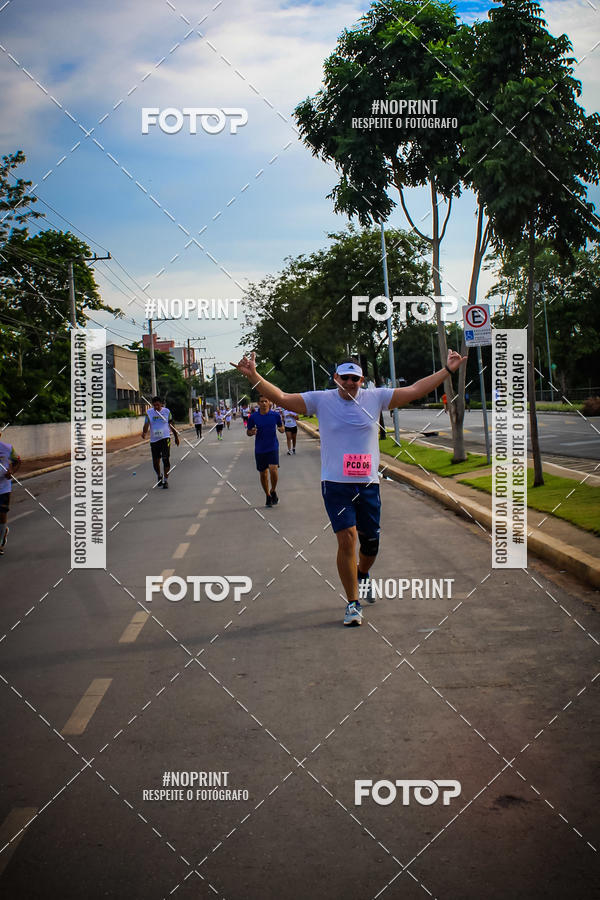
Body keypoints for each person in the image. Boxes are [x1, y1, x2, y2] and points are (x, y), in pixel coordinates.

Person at [232, 350, 467, 626]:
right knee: (347, 539)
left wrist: (448, 370)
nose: (350, 383)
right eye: (345, 378)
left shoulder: (376, 397)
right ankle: (352, 603)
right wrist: (254, 376)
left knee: (370, 544)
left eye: (354, 378)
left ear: (362, 379)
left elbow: (415, 390)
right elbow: (282, 398)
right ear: (336, 378)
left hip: (367, 484)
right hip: (335, 484)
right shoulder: (321, 400)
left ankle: (363, 573)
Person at [246, 395, 284, 507]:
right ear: (258, 403)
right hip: (260, 448)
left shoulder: (275, 415)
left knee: (273, 469)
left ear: (269, 403)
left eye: (265, 401)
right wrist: (252, 432)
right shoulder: (253, 417)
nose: (263, 403)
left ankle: (273, 490)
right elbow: (248, 432)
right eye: (261, 401)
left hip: (272, 447)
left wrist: (281, 429)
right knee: (263, 474)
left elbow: (282, 428)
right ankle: (267, 495)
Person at [142, 397, 180, 489]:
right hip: (154, 440)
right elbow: (146, 424)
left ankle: (166, 481)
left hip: (165, 438)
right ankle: (159, 475)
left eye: (158, 405)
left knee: (165, 459)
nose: (156, 407)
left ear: (161, 404)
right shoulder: (149, 413)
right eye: (154, 405)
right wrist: (144, 432)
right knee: (156, 462)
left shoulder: (167, 412)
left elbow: (171, 424)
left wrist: (176, 437)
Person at [0, 432, 21, 556]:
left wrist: (12, 471)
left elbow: (18, 460)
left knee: (2, 514)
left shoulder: (8, 448)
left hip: (3, 488)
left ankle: (0, 542)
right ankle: (3, 531)